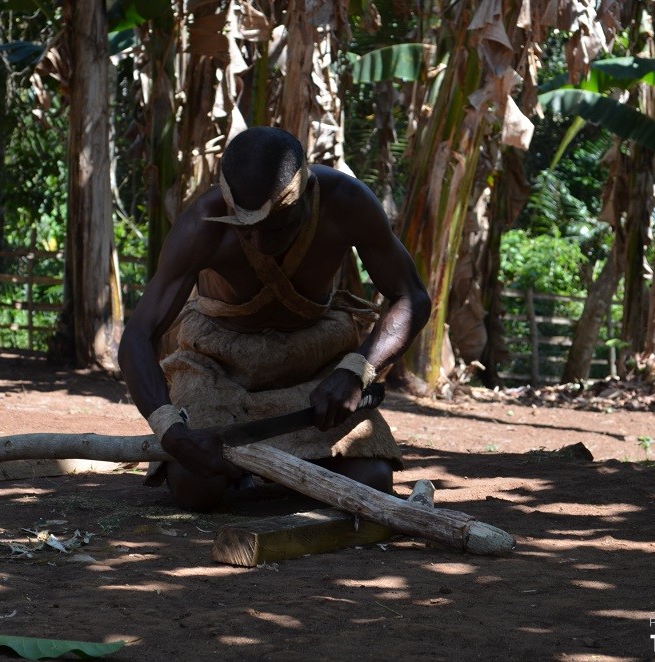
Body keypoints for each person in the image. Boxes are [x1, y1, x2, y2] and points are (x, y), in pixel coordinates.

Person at [118, 126, 432, 511]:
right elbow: (138, 335)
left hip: (317, 364)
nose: (262, 244)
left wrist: (355, 371)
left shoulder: (346, 202)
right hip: (220, 368)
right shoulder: (203, 224)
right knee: (195, 485)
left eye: (278, 226)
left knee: (372, 482)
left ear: (308, 193)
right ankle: (274, 477)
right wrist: (170, 430)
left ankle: (265, 477)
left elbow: (411, 296)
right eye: (246, 230)